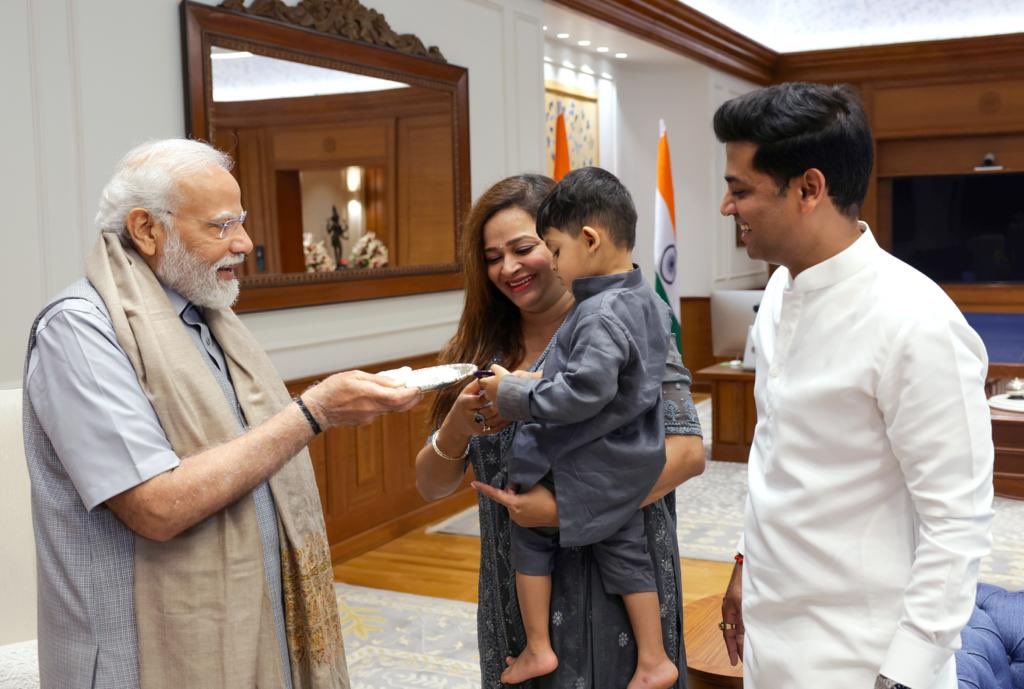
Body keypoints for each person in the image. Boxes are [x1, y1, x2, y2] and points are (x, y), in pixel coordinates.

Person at [23, 139, 421, 689]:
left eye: (242, 222)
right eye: (221, 226)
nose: (245, 243)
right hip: (134, 655)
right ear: (146, 229)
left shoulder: (203, 314)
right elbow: (157, 507)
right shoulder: (78, 330)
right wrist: (311, 413)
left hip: (248, 623)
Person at [714, 83, 994, 689]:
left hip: (865, 659)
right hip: (772, 636)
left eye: (740, 190)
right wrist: (745, 562)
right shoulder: (781, 291)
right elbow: (776, 450)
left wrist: (906, 672)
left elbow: (958, 519)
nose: (725, 206)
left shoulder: (917, 320)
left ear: (809, 189)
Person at [414, 173, 705, 689]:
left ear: (568, 241)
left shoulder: (628, 321)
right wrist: (457, 425)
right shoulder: (484, 350)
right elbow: (431, 484)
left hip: (617, 589)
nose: (508, 268)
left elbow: (686, 454)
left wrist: (568, 510)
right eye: (491, 257)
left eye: (526, 248)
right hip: (518, 596)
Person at [477, 167, 678, 689]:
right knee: (629, 557)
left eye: (547, 249)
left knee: (530, 538)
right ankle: (654, 658)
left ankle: (539, 646)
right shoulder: (651, 305)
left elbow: (587, 390)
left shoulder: (598, 313)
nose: (513, 267)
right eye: (493, 257)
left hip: (588, 469)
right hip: (632, 463)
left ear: (587, 239)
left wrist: (516, 393)